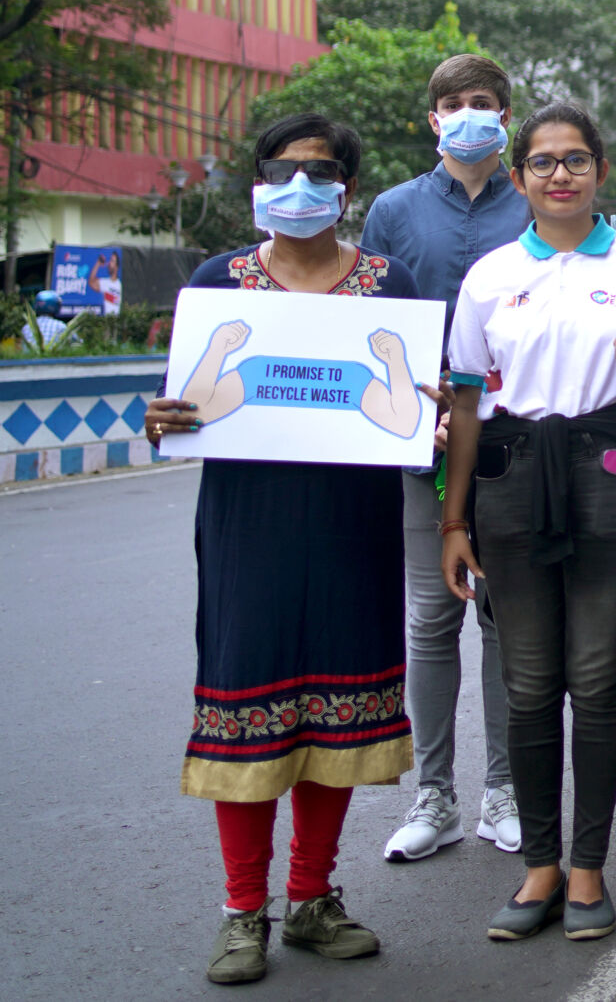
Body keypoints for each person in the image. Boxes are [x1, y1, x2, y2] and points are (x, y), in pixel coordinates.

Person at [146, 113, 419, 984]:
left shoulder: (389, 284)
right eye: (284, 168)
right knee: (248, 705)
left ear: (347, 187)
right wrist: (163, 419)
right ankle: (241, 913)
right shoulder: (218, 283)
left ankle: (310, 897)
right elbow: (179, 410)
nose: (301, 185)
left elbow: (417, 411)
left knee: (338, 709)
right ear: (259, 181)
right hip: (247, 525)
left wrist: (424, 421)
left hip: (354, 525)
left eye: (321, 169)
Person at [439, 102, 616, 944]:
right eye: (543, 162)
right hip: (509, 487)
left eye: (576, 159)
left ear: (601, 172)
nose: (561, 174)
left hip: (611, 480)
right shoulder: (490, 275)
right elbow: (467, 402)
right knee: (529, 685)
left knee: (598, 684)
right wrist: (452, 520)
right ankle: (537, 867)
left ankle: (587, 870)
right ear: (520, 177)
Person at [358, 54, 525, 865]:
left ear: (506, 116)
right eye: (454, 104)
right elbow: (369, 325)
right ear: (433, 120)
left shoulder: (534, 204)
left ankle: (504, 792)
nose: (469, 114)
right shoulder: (392, 210)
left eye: (484, 103)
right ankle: (435, 795)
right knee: (432, 616)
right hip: (418, 442)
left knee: (502, 618)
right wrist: (407, 413)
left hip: (513, 444)